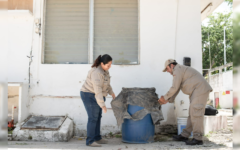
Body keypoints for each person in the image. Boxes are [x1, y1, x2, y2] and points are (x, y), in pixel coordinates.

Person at [158, 59, 212, 145]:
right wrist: (168, 100)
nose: (167, 71)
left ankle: (198, 138)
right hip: (197, 91)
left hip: (200, 89)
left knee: (196, 114)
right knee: (192, 113)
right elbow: (177, 88)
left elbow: (174, 88)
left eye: (167, 69)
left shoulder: (177, 69)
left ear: (171, 65)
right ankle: (185, 135)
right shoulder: (179, 70)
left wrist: (164, 98)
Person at [80, 54, 115, 147]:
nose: (109, 67)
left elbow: (106, 83)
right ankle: (90, 141)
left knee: (98, 116)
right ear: (102, 64)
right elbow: (98, 90)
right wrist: (103, 105)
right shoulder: (96, 72)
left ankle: (97, 137)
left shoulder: (105, 71)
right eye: (108, 65)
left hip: (97, 95)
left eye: (110, 65)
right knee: (93, 118)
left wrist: (112, 93)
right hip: (89, 94)